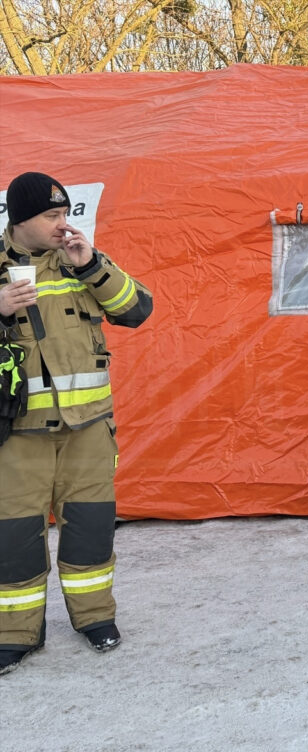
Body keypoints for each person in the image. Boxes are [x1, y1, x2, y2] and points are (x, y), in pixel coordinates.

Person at [0, 172, 153, 676]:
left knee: (89, 531)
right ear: (20, 220)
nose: (62, 224)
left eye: (65, 213)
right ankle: (16, 634)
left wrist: (92, 267)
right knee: (14, 537)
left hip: (88, 427)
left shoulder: (79, 261)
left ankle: (95, 619)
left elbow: (137, 310)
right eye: (51, 216)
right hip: (16, 434)